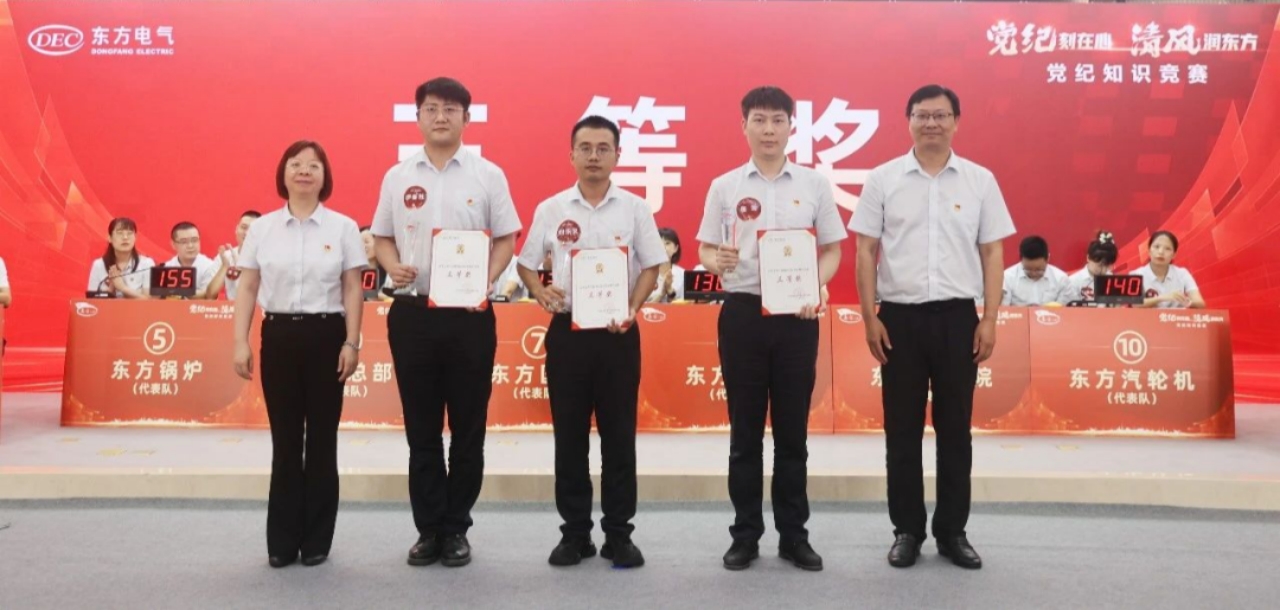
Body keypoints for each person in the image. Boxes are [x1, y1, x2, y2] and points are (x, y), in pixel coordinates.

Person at [850, 84, 1015, 571]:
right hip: (898, 319)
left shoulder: (980, 181)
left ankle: (952, 531)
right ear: (909, 121)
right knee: (901, 430)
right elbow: (865, 251)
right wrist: (869, 317)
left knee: (955, 430)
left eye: (941, 115)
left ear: (956, 122)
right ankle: (907, 530)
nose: (931, 124)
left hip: (958, 319)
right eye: (922, 115)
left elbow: (993, 252)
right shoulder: (883, 179)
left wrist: (989, 318)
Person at [371, 77, 522, 568]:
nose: (440, 116)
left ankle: (457, 527)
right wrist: (392, 265)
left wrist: (486, 278)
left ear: (466, 119)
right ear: (417, 116)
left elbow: (506, 238)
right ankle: (428, 529)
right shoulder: (397, 176)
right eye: (431, 108)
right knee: (421, 429)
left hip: (469, 316)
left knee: (468, 428)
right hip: (412, 315)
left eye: (451, 109)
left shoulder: (487, 175)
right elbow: (382, 237)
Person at [697, 86, 845, 572]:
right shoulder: (725, 186)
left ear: (790, 127)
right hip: (742, 313)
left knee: (792, 434)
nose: (768, 130)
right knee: (744, 434)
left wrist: (814, 286)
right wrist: (716, 259)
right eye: (759, 120)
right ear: (743, 126)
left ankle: (794, 536)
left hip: (797, 319)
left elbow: (832, 250)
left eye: (778, 120)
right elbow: (705, 249)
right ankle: (745, 535)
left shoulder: (814, 184)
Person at [517, 116, 665, 569]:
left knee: (619, 438)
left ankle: (619, 534)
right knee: (570, 439)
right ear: (572, 155)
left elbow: (652, 266)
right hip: (568, 335)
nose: (594, 156)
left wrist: (633, 307)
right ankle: (575, 534)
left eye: (603, 148)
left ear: (618, 155)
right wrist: (540, 291)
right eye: (585, 148)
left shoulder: (635, 208)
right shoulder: (551, 208)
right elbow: (525, 264)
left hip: (619, 335)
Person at [231, 140, 365, 569]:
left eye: (313, 165)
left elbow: (352, 288)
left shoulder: (342, 227)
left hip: (327, 336)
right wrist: (240, 341)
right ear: (283, 174)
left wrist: (352, 341)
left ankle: (317, 540)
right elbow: (248, 287)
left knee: (322, 441)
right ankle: (282, 540)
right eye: (296, 164)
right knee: (286, 441)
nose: (304, 171)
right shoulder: (263, 229)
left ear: (325, 177)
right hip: (279, 336)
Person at [87, 217, 155, 298]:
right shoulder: (99, 265)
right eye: (120, 233)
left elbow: (150, 301)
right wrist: (109, 293)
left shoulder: (146, 264)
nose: (125, 237)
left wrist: (122, 288)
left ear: (135, 238)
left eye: (129, 233)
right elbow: (91, 300)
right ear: (109, 238)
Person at [1138, 230, 1205, 309]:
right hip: (1149, 317)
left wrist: (1187, 302)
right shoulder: (1136, 274)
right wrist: (1162, 298)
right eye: (1156, 247)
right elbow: (1134, 304)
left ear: (1174, 255)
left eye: (1167, 249)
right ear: (1149, 251)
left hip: (1176, 316)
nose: (1161, 252)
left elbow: (1200, 304)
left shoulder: (1182, 273)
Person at [1001, 235, 1067, 306]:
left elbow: (1067, 309)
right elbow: (1003, 309)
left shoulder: (1061, 279)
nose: (1033, 273)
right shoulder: (1007, 277)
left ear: (1048, 258)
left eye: (1039, 270)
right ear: (1021, 259)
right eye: (1028, 269)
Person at [165, 222, 225, 299]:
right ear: (173, 244)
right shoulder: (167, 267)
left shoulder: (209, 266)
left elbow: (208, 295)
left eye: (194, 240)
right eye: (184, 242)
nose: (190, 246)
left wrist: (178, 292)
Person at [1056, 231, 1118, 305]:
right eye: (1100, 265)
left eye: (1107, 266)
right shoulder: (1073, 282)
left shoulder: (1112, 280)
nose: (1103, 270)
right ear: (1088, 258)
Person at [221, 210, 261, 301]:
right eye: (244, 227)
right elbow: (210, 294)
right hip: (230, 308)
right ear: (236, 229)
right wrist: (224, 267)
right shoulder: (225, 256)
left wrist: (242, 271)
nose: (247, 233)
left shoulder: (268, 260)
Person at [647, 227, 686, 303]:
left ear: (676, 248)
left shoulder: (683, 274)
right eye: (658, 243)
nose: (662, 247)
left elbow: (686, 306)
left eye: (667, 243)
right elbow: (641, 307)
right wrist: (661, 294)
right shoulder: (645, 275)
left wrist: (670, 290)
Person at [360, 226, 394, 302]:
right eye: (359, 243)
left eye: (366, 241)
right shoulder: (353, 274)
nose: (363, 246)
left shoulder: (390, 272)